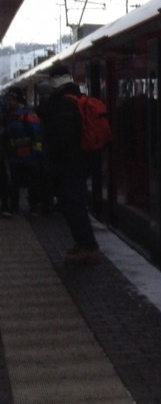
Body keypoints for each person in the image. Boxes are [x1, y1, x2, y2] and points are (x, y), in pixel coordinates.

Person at [40, 67, 102, 265]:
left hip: (68, 166)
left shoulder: (61, 105)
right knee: (75, 205)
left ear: (57, 81)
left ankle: (88, 247)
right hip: (80, 164)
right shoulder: (76, 99)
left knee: (73, 206)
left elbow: (58, 139)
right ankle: (83, 244)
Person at [3, 86, 44, 217]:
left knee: (32, 182)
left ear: (18, 100)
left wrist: (37, 155)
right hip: (13, 156)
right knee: (14, 183)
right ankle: (13, 208)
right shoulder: (8, 116)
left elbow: (37, 135)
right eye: (8, 100)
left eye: (11, 100)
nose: (9, 102)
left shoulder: (28, 115)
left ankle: (33, 206)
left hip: (29, 156)